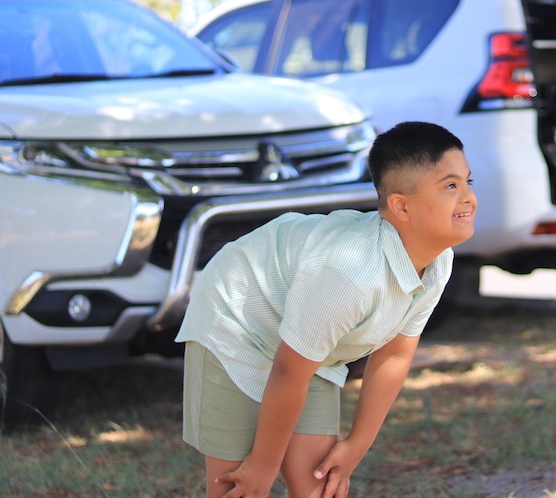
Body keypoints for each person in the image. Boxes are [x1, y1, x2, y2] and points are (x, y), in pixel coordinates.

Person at [175, 121, 477, 498]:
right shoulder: (350, 274)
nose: (467, 197)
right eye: (450, 185)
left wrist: (355, 446)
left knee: (319, 484)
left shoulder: (438, 264)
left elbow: (395, 355)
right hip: (237, 321)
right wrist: (262, 467)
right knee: (241, 487)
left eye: (468, 182)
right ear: (401, 205)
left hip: (306, 350)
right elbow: (287, 373)